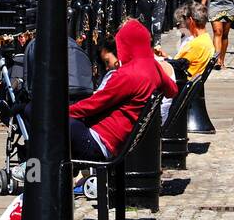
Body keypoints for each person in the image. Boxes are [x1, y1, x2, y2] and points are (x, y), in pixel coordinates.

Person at [68, 18, 177, 162]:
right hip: (118, 140)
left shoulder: (128, 74)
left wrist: (65, 112)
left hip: (101, 140)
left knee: (38, 115)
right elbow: (172, 90)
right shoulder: (154, 67)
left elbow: (96, 103)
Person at [155, 1, 214, 122]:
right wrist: (166, 58)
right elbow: (180, 63)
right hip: (182, 79)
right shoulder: (204, 39)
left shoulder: (196, 44)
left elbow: (177, 67)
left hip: (179, 83)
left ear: (191, 21)